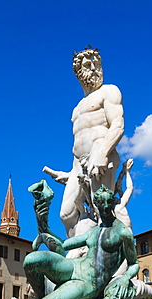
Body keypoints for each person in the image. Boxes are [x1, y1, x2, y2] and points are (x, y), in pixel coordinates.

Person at [7, 184, 139, 299]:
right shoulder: (93, 232)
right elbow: (62, 246)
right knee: (31, 260)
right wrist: (45, 230)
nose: (104, 208)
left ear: (111, 204)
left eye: (107, 204)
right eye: (100, 204)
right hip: (74, 267)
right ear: (97, 205)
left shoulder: (122, 233)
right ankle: (38, 297)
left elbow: (134, 263)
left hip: (88, 282)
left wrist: (124, 278)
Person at [44, 47, 124, 237]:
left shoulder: (109, 91)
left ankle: (107, 258)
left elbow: (118, 125)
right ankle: (79, 254)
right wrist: (70, 173)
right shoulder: (76, 109)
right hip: (78, 164)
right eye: (88, 65)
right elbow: (79, 144)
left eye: (97, 64)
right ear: (79, 72)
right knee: (67, 213)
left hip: (101, 154)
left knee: (101, 210)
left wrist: (103, 152)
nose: (95, 69)